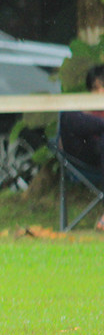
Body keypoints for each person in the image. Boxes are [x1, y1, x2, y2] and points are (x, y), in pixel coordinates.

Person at [59, 64, 104, 230]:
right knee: (69, 116)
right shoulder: (80, 111)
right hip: (85, 158)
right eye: (95, 89)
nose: (99, 94)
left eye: (102, 88)